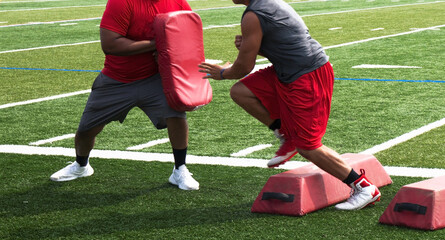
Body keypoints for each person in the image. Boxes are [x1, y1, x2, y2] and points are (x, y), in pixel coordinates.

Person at [198, 0, 380, 209]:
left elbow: (243, 67)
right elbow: (287, 45)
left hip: (306, 76)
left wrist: (221, 73)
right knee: (241, 92)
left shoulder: (253, 14)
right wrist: (255, 46)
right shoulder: (265, 6)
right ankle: (285, 133)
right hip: (289, 71)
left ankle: (364, 187)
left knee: (308, 146)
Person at [50, 0, 199, 191]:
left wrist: (176, 58)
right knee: (87, 129)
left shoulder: (178, 2)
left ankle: (180, 169)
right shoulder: (122, 2)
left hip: (156, 77)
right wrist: (158, 44)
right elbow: (111, 44)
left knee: (176, 115)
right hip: (117, 79)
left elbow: (188, 34)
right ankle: (81, 165)